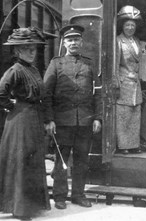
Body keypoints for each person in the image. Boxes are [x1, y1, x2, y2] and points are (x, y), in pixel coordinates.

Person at [0, 27, 51, 220]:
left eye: (34, 48)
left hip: (33, 119)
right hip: (20, 122)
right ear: (17, 51)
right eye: (27, 48)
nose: (32, 52)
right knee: (21, 162)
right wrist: (12, 106)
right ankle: (19, 208)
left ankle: (30, 206)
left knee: (32, 161)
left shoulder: (32, 69)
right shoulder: (15, 70)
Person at [43, 24, 102, 210]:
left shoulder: (89, 64)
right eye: (70, 40)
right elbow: (46, 94)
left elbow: (97, 94)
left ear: (81, 42)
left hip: (84, 121)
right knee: (61, 160)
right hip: (62, 121)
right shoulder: (56, 63)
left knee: (82, 161)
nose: (73, 42)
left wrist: (97, 118)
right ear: (64, 42)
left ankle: (78, 195)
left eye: (76, 39)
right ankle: (59, 196)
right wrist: (49, 119)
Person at [113, 5, 144, 154]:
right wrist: (117, 82)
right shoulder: (118, 41)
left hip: (135, 84)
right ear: (122, 26)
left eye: (132, 25)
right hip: (124, 83)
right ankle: (124, 145)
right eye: (127, 25)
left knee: (135, 114)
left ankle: (133, 145)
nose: (130, 27)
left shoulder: (137, 41)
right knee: (123, 115)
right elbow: (115, 63)